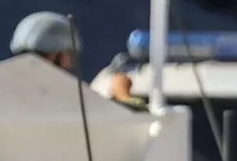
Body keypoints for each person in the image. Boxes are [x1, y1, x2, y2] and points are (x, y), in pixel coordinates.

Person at [8, 12, 147, 109]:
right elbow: (127, 118)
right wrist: (122, 95)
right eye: (68, 55)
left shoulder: (2, 95)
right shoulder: (69, 100)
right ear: (58, 56)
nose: (69, 63)